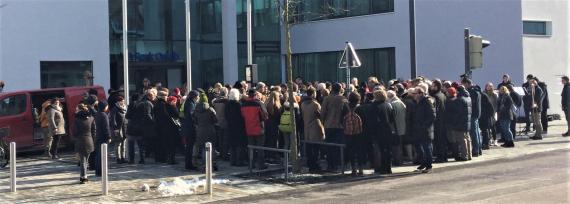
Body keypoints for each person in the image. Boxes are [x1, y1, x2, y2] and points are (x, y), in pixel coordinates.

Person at [321, 83, 349, 171]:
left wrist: (323, 122)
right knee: (338, 146)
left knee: (329, 146)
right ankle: (337, 165)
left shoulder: (327, 98)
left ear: (332, 89)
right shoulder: (343, 99)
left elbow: (323, 112)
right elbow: (347, 112)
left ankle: (330, 165)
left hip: (329, 125)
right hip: (340, 126)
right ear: (340, 89)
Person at [370, 90, 397, 174]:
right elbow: (392, 118)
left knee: (380, 150)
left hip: (379, 131)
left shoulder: (374, 106)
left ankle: (381, 167)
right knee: (388, 150)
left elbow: (373, 120)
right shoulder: (388, 105)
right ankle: (388, 167)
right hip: (388, 130)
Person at [410, 84, 435, 173]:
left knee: (426, 147)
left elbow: (432, 116)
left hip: (425, 130)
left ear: (420, 93)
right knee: (418, 147)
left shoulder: (427, 102)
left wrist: (425, 126)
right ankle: (423, 163)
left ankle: (429, 165)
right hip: (417, 129)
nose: (413, 95)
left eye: (415, 93)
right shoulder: (417, 103)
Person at [241, 89, 269, 170]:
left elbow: (243, 115)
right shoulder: (259, 103)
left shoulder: (244, 104)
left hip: (249, 128)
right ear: (255, 95)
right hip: (259, 128)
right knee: (260, 147)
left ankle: (251, 164)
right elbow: (265, 115)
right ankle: (261, 164)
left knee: (251, 147)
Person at [301, 87, 325, 172]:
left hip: (306, 128)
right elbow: (321, 115)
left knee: (309, 148)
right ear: (313, 94)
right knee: (316, 148)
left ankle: (310, 163)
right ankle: (315, 165)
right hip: (315, 127)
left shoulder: (303, 104)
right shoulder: (315, 104)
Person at [193, 92, 218, 170]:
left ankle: (204, 165)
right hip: (210, 130)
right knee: (212, 147)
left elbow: (195, 120)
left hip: (200, 130)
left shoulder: (196, 110)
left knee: (204, 148)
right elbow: (215, 119)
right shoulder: (210, 110)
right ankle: (212, 164)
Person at [445, 87, 471, 161]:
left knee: (462, 140)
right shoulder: (467, 98)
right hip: (466, 122)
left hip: (460, 123)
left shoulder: (459, 100)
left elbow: (457, 113)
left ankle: (464, 156)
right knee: (467, 139)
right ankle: (469, 155)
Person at [344, 92, 365, 176]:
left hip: (349, 133)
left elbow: (342, 119)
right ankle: (361, 169)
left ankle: (353, 169)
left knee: (351, 151)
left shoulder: (345, 108)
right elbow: (364, 120)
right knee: (360, 151)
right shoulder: (360, 108)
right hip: (359, 133)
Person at [74, 104, 96, 184]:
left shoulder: (77, 119)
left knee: (83, 161)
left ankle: (83, 177)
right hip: (89, 140)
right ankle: (84, 176)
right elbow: (94, 131)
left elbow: (75, 132)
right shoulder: (91, 118)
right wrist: (93, 140)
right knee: (86, 160)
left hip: (80, 140)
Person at [226, 89, 248, 166]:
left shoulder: (227, 104)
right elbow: (243, 116)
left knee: (232, 145)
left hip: (230, 126)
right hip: (239, 127)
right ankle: (239, 161)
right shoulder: (239, 104)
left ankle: (232, 161)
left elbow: (226, 115)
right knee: (239, 145)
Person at [461, 78, 482, 157]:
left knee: (474, 133)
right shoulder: (477, 90)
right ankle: (479, 149)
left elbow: (471, 103)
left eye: (463, 84)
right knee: (476, 132)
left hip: (473, 114)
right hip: (476, 114)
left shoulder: (472, 92)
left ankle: (476, 150)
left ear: (467, 83)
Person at [387, 90, 406, 166]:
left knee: (395, 146)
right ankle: (400, 161)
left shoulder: (391, 104)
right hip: (402, 127)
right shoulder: (401, 103)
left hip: (395, 128)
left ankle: (397, 161)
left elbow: (391, 118)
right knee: (399, 145)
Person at [430, 80, 447, 163]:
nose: (431, 87)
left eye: (432, 86)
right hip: (443, 120)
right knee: (442, 140)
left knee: (438, 140)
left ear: (436, 87)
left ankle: (440, 157)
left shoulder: (435, 96)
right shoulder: (443, 95)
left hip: (438, 121)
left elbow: (435, 110)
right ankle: (444, 156)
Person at [183, 91, 200, 170]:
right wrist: (196, 121)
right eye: (197, 96)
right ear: (194, 97)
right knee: (189, 147)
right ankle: (189, 165)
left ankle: (188, 164)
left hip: (188, 127)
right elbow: (191, 115)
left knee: (189, 147)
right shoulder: (190, 104)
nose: (198, 98)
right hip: (190, 128)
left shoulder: (189, 102)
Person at [126, 94, 145, 164]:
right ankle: (142, 159)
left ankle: (132, 160)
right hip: (140, 127)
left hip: (131, 127)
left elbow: (127, 116)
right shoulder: (142, 104)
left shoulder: (131, 105)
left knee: (131, 145)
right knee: (141, 145)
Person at [265, 91, 282, 163]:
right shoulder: (277, 106)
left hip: (267, 125)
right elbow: (278, 117)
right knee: (274, 141)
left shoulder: (266, 104)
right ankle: (273, 156)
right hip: (274, 125)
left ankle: (268, 156)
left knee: (268, 141)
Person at [212, 87, 229, 160]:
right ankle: (224, 155)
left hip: (217, 123)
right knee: (225, 140)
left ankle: (221, 154)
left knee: (220, 140)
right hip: (225, 122)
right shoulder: (226, 101)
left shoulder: (215, 101)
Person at [94, 101, 111, 177]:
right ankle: (102, 171)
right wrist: (109, 136)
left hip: (97, 136)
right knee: (103, 155)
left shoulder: (96, 114)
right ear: (105, 107)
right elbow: (106, 127)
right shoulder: (104, 115)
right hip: (103, 137)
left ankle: (97, 171)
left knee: (98, 155)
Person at [109, 96, 127, 164]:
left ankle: (123, 157)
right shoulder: (115, 109)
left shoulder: (125, 108)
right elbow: (113, 120)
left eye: (123, 101)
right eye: (121, 101)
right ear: (118, 102)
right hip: (118, 129)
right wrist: (115, 129)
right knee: (118, 143)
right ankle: (118, 158)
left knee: (124, 143)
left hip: (124, 127)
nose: (123, 102)